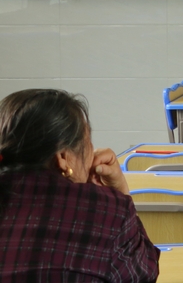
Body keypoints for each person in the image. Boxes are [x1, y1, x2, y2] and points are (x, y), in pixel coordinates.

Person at [0, 89, 159, 282]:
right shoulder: (108, 211)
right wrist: (120, 192)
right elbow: (143, 275)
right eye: (88, 143)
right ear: (63, 157)